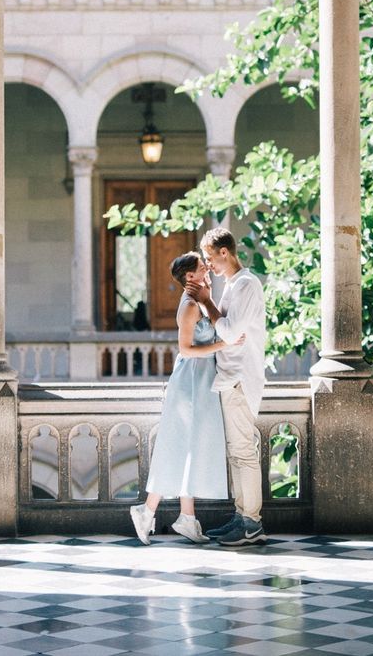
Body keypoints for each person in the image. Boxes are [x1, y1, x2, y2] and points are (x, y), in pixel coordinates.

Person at [129, 250, 244, 545]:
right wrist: (222, 344)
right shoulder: (189, 307)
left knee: (192, 447)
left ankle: (186, 517)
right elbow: (186, 350)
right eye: (200, 265)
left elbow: (216, 319)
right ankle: (148, 509)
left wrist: (208, 298)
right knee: (182, 445)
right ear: (189, 276)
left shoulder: (200, 299)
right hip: (190, 382)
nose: (206, 266)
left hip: (202, 381)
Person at [185, 226, 267, 546]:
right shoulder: (233, 285)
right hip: (229, 379)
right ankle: (241, 515)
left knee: (244, 452)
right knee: (236, 452)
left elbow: (230, 333)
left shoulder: (246, 285)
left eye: (210, 258)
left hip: (241, 380)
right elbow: (226, 331)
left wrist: (206, 301)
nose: (209, 266)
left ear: (225, 252)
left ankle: (252, 523)